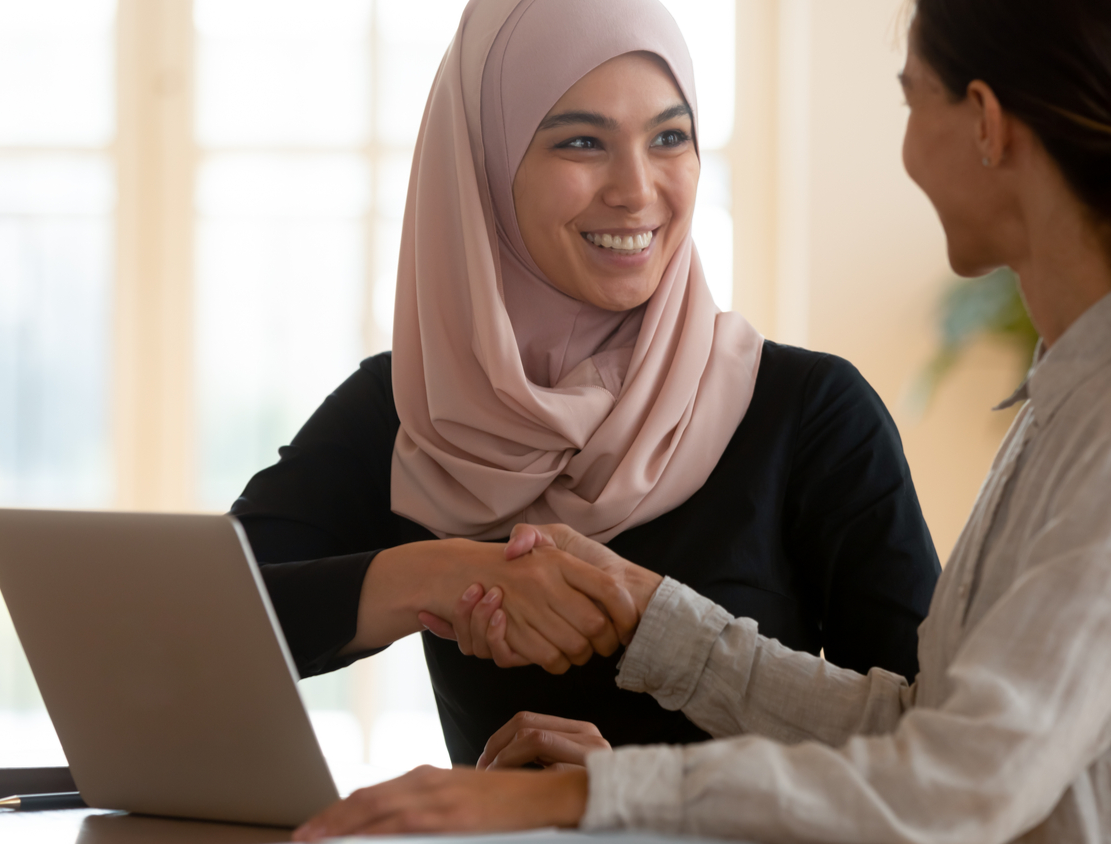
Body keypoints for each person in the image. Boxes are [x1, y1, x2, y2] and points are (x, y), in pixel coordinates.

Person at [291, 0, 1111, 841]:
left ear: (980, 124)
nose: (638, 189)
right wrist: (648, 615)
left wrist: (581, 799)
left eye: (909, 97)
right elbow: (926, 732)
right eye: (580, 141)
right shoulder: (1079, 393)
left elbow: (959, 785)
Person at [231, 0, 941, 768]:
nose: (636, 190)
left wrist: (626, 797)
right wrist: (437, 573)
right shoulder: (415, 409)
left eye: (670, 137)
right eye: (581, 142)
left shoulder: (812, 416)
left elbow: (937, 757)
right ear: (487, 167)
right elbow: (190, 617)